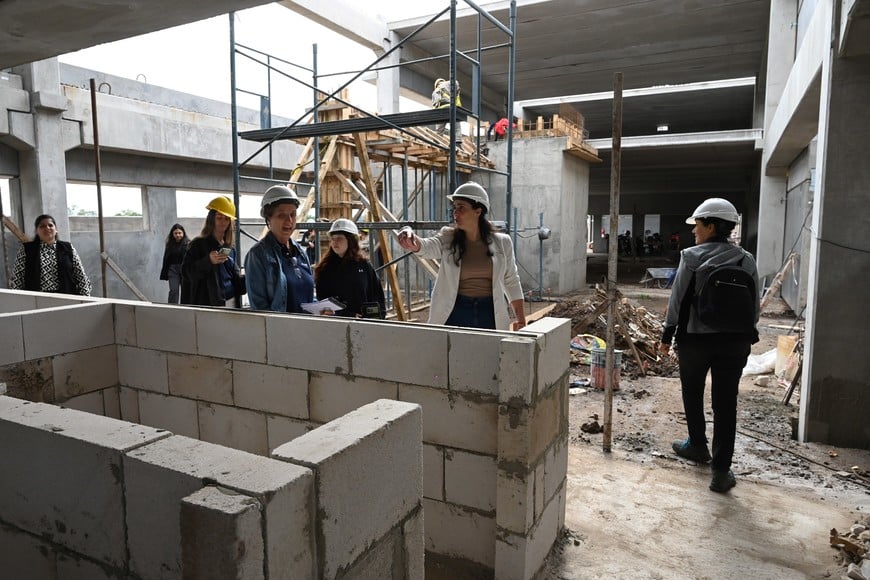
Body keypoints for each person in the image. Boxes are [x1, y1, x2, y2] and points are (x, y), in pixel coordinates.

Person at [658, 198, 760, 493]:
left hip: (695, 340)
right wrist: (747, 333)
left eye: (698, 225)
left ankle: (697, 445)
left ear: (712, 226)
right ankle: (721, 471)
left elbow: (677, 301)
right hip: (735, 342)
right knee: (726, 403)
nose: (694, 232)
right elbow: (754, 306)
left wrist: (667, 336)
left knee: (692, 391)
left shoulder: (690, 257)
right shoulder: (745, 259)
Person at [397, 182, 526, 331]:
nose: (455, 213)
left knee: (488, 354)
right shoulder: (447, 237)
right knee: (454, 353)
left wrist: (521, 321)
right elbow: (427, 246)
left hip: (490, 313)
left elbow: (511, 281)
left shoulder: (502, 242)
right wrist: (411, 238)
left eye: (461, 207)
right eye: (454, 207)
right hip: (455, 312)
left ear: (478, 211)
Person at [245, 185, 314, 313]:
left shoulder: (300, 253)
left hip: (306, 329)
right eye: (282, 215)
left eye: (293, 214)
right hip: (280, 331)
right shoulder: (258, 255)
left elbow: (306, 298)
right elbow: (260, 309)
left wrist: (320, 309)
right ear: (269, 219)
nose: (289, 221)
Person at [314, 218, 386, 319]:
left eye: (339, 238)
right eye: (333, 239)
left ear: (351, 240)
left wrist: (378, 318)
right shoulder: (325, 269)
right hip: (336, 325)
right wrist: (348, 315)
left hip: (364, 325)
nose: (335, 242)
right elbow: (323, 303)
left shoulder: (364, 266)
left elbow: (377, 296)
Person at [180, 196, 245, 307]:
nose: (223, 222)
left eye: (226, 218)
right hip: (209, 305)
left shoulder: (229, 247)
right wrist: (207, 261)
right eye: (219, 217)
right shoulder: (198, 244)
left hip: (231, 303)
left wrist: (251, 277)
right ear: (211, 219)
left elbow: (236, 280)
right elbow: (186, 272)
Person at [9, 214, 91, 296]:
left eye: (50, 225)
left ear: (56, 229)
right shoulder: (26, 250)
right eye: (42, 226)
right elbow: (17, 278)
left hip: (66, 298)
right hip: (36, 300)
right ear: (37, 231)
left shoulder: (68, 248)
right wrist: (18, 300)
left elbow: (81, 276)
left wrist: (86, 299)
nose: (47, 228)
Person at [159, 223, 189, 304]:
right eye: (175, 233)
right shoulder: (169, 244)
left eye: (179, 233)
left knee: (186, 290)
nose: (178, 235)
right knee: (173, 290)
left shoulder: (188, 243)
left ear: (183, 233)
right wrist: (165, 272)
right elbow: (166, 259)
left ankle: (186, 308)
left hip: (184, 270)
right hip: (173, 270)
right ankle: (172, 308)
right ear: (172, 234)